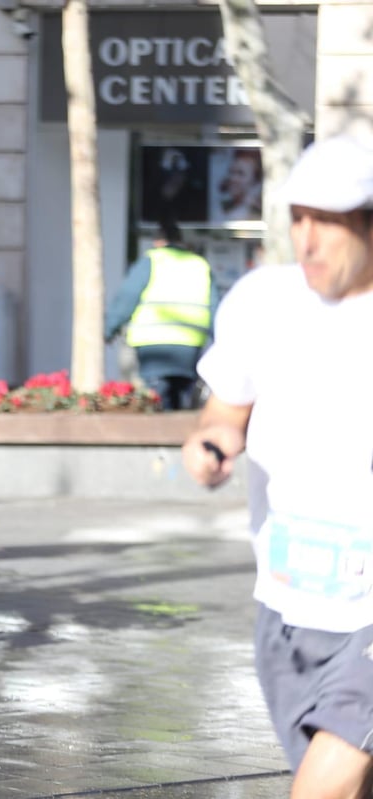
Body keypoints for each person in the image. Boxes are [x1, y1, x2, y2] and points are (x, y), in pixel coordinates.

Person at [181, 135, 373, 796]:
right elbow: (222, 415)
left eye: (330, 220)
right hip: (289, 608)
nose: (308, 238)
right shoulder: (264, 302)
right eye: (298, 217)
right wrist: (210, 448)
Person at [104, 219, 218, 410]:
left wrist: (109, 328)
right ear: (181, 242)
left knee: (158, 400)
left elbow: (127, 297)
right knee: (182, 398)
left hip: (152, 346)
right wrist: (220, 342)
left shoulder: (151, 260)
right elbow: (214, 307)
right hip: (189, 347)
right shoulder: (200, 265)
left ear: (158, 242)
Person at [212, 148, 263, 224]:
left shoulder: (257, 211)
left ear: (255, 181)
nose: (232, 178)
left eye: (240, 173)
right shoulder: (222, 207)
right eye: (231, 172)